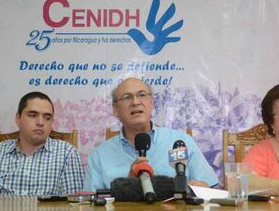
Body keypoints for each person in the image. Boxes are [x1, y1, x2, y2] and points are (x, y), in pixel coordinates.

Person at [84, 77, 218, 191]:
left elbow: (210, 187)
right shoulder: (99, 157)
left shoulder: (179, 142)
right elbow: (91, 207)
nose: (135, 102)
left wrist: (200, 189)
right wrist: (128, 185)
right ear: (116, 110)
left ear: (151, 103)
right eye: (127, 97)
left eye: (142, 95)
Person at [0, 92, 84, 195]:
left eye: (47, 117)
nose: (40, 122)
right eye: (32, 115)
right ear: (18, 118)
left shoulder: (66, 154)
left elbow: (74, 206)